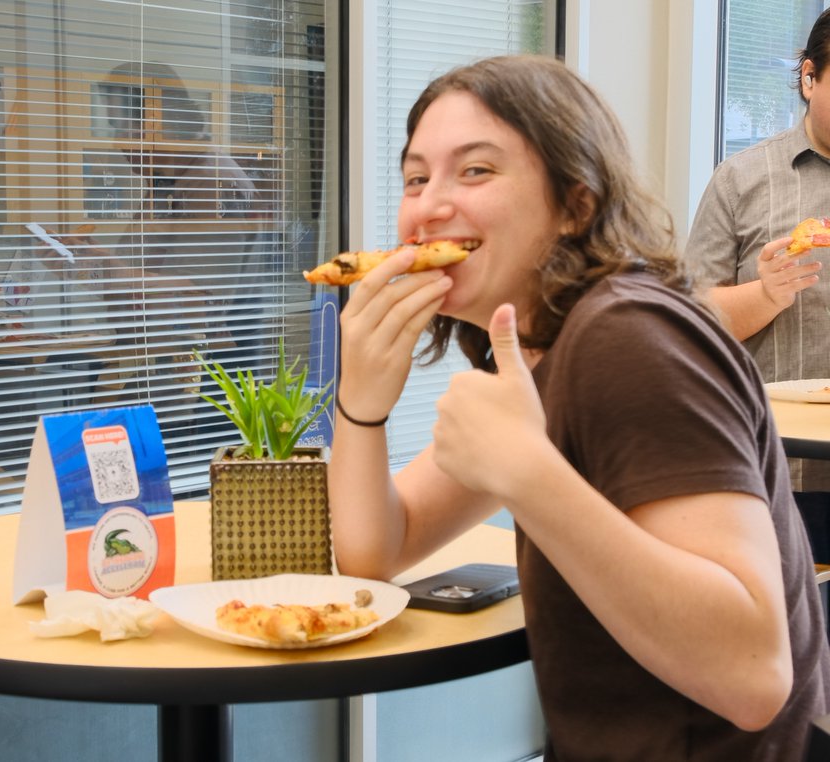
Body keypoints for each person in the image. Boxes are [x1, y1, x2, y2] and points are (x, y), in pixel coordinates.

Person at [328, 54, 830, 761]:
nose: (428, 206)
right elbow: (376, 547)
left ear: (576, 205)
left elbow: (753, 676)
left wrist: (530, 478)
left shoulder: (626, 337)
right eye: (416, 177)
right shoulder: (539, 348)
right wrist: (362, 401)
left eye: (475, 170)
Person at [684, 9, 830, 566]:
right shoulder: (742, 179)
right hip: (779, 472)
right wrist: (765, 295)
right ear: (809, 77)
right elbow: (691, 324)